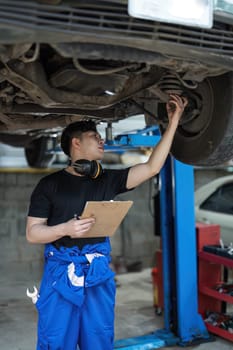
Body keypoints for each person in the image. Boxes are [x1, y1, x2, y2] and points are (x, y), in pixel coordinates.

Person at [26, 94, 187, 350]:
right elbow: (33, 233)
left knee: (98, 339)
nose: (102, 140)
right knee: (55, 340)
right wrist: (64, 229)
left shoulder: (107, 180)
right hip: (61, 273)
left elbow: (152, 167)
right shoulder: (49, 185)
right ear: (76, 143)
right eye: (94, 136)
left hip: (98, 273)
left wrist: (173, 122)